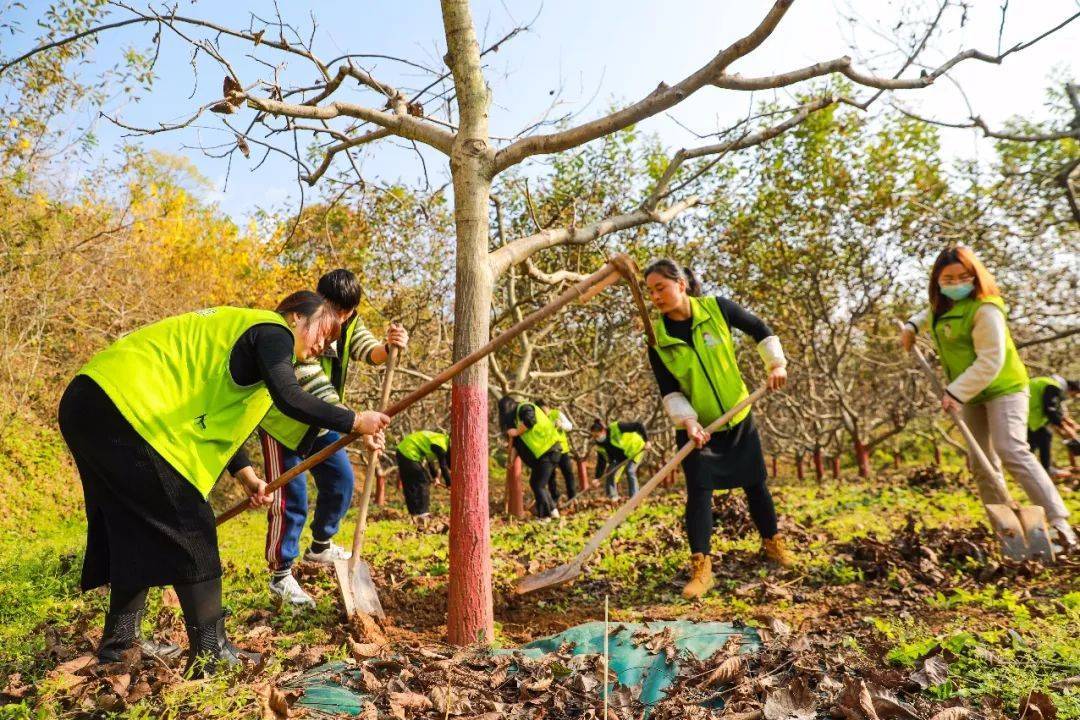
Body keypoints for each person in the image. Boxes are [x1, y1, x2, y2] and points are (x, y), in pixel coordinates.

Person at [57, 293, 390, 675]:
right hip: (125, 408)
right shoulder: (272, 330)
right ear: (296, 315)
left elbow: (223, 415)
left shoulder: (248, 348)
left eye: (332, 341)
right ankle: (211, 653)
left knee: (131, 529)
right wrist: (353, 420)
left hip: (92, 400)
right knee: (192, 525)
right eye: (324, 330)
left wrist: (246, 476)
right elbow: (291, 398)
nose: (324, 344)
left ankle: (120, 645)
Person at [901, 245, 1076, 551]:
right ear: (938, 282)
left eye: (963, 276)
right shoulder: (941, 309)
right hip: (971, 394)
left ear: (976, 277)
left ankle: (1060, 524)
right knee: (981, 463)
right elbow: (927, 314)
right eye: (948, 278)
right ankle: (1010, 535)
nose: (956, 283)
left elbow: (990, 360)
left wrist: (956, 392)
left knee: (1011, 449)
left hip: (1003, 387)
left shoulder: (986, 309)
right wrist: (912, 327)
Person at [643, 258, 793, 601]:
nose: (655, 296)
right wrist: (688, 421)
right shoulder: (657, 339)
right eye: (650, 291)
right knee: (698, 493)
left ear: (680, 285)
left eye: (660, 288)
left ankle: (773, 546)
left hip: (738, 416)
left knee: (756, 485)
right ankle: (702, 569)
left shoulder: (717, 309)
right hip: (700, 426)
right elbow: (669, 389)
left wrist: (776, 364)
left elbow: (760, 329)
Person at [259, 269, 408, 609]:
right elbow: (316, 389)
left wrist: (389, 347)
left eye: (346, 313)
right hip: (286, 422)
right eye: (334, 310)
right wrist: (358, 426)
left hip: (328, 421)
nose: (338, 319)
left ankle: (321, 546)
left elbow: (368, 351)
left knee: (341, 481)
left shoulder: (348, 322)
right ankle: (281, 575)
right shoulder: (300, 326)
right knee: (290, 498)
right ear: (319, 300)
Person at [498, 396, 561, 520]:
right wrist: (510, 460)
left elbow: (530, 421)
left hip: (548, 450)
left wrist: (516, 432)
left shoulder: (524, 407)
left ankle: (545, 516)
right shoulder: (516, 422)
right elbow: (516, 445)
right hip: (543, 454)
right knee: (537, 483)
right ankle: (553, 511)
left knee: (538, 484)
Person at [1027, 375, 1080, 473]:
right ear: (1072, 389)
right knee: (1044, 437)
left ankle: (1035, 469)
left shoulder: (1052, 383)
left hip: (1030, 415)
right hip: (1031, 416)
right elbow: (1051, 410)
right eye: (1074, 394)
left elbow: (1056, 410)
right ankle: (1045, 469)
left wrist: (1067, 423)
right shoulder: (1054, 386)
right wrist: (1064, 427)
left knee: (1035, 442)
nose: (1071, 397)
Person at [395, 430, 451, 517]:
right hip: (409, 451)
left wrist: (435, 477)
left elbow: (430, 462)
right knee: (423, 480)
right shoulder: (442, 446)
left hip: (402, 450)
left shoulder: (439, 440)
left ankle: (414, 512)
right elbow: (443, 466)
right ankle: (423, 512)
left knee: (410, 483)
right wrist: (449, 484)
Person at [590, 419, 649, 499]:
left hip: (636, 449)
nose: (596, 438)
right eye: (593, 437)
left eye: (597, 436)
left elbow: (638, 425)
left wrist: (647, 441)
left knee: (630, 470)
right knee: (610, 471)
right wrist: (597, 478)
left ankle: (635, 497)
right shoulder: (600, 445)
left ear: (603, 431)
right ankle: (613, 497)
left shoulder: (616, 427)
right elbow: (601, 463)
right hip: (621, 457)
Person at [544, 402, 577, 503]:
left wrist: (561, 424)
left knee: (568, 474)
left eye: (543, 409)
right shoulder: (539, 418)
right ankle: (555, 498)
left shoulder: (556, 414)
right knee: (550, 476)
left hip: (562, 450)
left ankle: (573, 497)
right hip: (549, 451)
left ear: (547, 406)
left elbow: (570, 426)